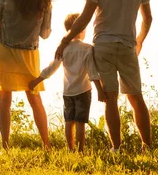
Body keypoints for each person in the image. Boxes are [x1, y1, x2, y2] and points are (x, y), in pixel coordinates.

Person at [55, 0, 153, 152]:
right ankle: (147, 145)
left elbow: (84, 19)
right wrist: (140, 40)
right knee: (136, 97)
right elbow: (148, 18)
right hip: (128, 45)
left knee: (110, 99)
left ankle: (116, 148)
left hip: (104, 46)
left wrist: (65, 39)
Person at [0, 0, 52, 150]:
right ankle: (46, 145)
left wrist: (3, 24)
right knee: (35, 100)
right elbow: (45, 34)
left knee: (4, 102)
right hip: (29, 56)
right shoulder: (44, 2)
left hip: (5, 52)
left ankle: (5, 147)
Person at [28, 13, 105, 152]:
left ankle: (70, 149)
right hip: (83, 90)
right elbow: (93, 71)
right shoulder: (87, 48)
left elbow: (52, 67)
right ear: (81, 29)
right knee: (81, 123)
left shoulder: (63, 48)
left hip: (68, 92)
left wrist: (37, 80)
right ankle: (80, 150)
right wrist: (100, 90)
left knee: (69, 122)